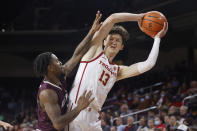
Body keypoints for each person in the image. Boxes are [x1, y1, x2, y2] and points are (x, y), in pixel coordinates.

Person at [68, 12, 168, 131]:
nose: (114, 42)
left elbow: (149, 64)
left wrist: (156, 39)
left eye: (118, 40)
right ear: (104, 41)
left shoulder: (117, 71)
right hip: (76, 112)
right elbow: (113, 18)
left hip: (93, 119)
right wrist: (140, 17)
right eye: (111, 39)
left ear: (122, 47)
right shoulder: (94, 51)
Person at [34, 11, 102, 131]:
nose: (60, 63)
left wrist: (92, 31)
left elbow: (77, 54)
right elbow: (58, 124)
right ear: (50, 67)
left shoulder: (61, 73)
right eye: (57, 61)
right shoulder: (47, 93)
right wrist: (79, 107)